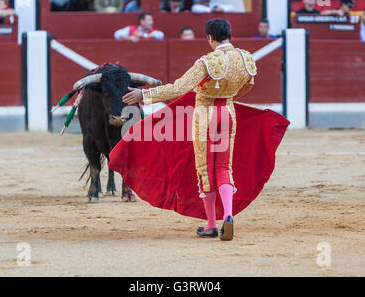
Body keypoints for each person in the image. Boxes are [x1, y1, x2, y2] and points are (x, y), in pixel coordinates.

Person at [116, 19, 289, 241]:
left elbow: (178, 87)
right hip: (227, 114)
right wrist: (227, 99)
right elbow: (247, 85)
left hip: (205, 115)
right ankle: (227, 215)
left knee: (206, 169)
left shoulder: (207, 62)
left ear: (210, 38)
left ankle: (210, 224)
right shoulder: (245, 58)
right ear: (229, 34)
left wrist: (145, 95)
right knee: (224, 167)